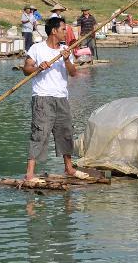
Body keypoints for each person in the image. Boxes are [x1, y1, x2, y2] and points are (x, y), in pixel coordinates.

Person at [22, 17, 88, 182]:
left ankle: (69, 168)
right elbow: (26, 69)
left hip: (61, 98)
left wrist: (66, 59)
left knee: (65, 133)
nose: (66, 32)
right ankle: (30, 173)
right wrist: (38, 67)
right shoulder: (37, 48)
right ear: (54, 31)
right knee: (40, 133)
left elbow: (73, 73)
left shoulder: (65, 49)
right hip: (42, 98)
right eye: (63, 29)